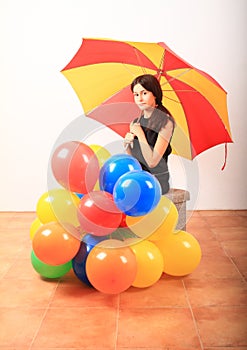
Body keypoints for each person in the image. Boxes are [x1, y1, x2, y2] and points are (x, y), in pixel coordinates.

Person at [124, 74, 175, 194]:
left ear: (155, 94)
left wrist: (140, 135)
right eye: (136, 95)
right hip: (139, 176)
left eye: (144, 93)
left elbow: (152, 162)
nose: (139, 99)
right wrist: (127, 145)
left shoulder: (166, 122)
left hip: (155, 180)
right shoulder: (135, 123)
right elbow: (134, 160)